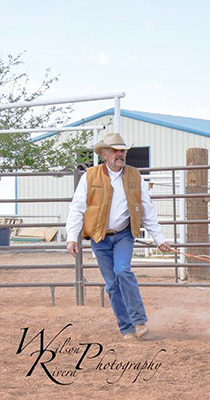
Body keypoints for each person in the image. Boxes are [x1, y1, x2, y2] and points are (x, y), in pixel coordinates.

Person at [66, 132, 171, 340]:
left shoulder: (134, 175)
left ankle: (138, 319)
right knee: (112, 284)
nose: (120, 155)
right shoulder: (90, 176)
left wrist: (159, 239)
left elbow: (147, 208)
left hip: (123, 234)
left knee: (122, 270)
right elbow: (77, 207)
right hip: (99, 237)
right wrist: (72, 236)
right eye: (115, 151)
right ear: (105, 154)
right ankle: (126, 328)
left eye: (122, 151)